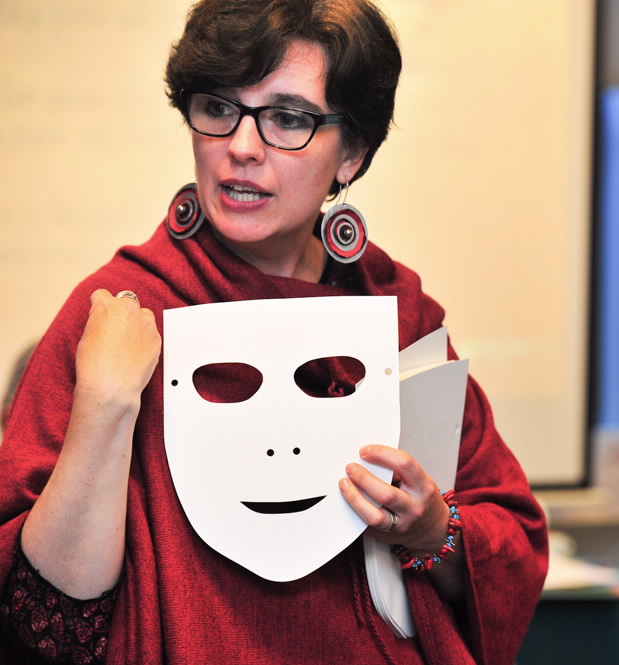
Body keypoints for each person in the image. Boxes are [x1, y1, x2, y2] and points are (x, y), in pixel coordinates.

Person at [0, 1, 548, 663]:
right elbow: (42, 625)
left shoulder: (398, 316)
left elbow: (512, 543)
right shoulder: (122, 311)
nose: (241, 147)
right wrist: (105, 407)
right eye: (218, 108)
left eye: (287, 118)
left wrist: (435, 530)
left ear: (352, 152)